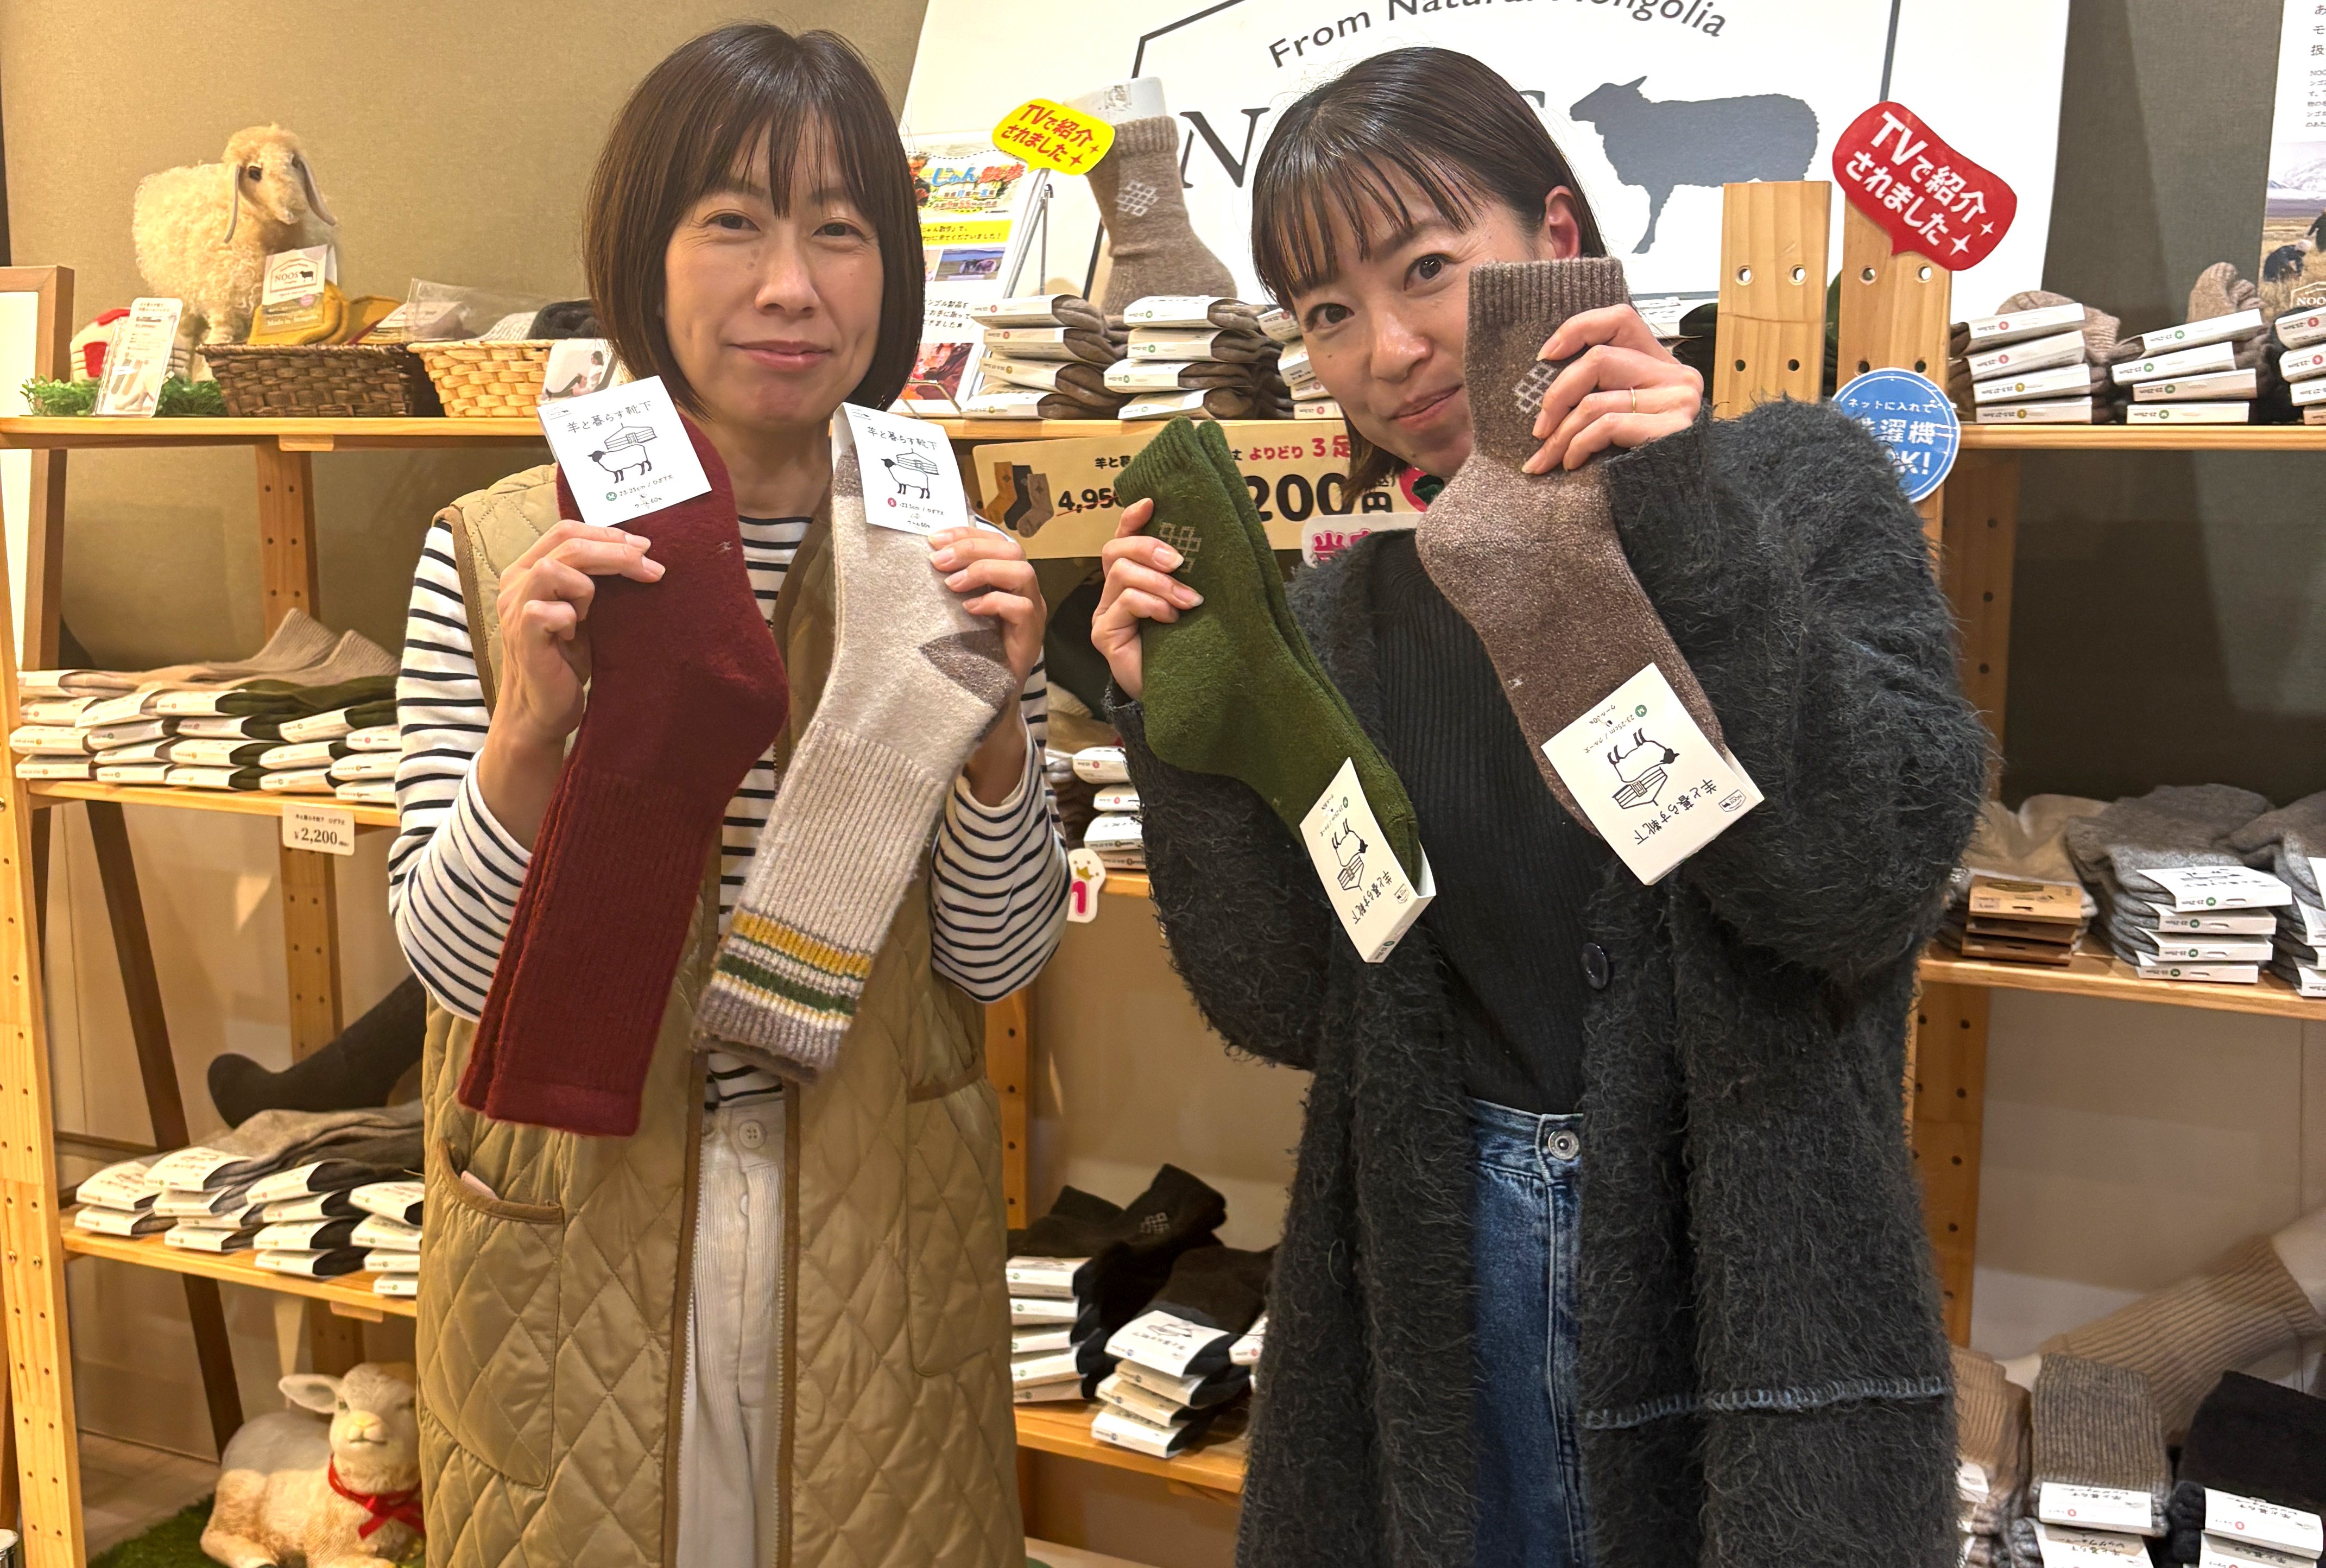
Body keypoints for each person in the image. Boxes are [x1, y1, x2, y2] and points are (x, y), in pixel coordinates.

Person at [1090, 47, 1988, 1568]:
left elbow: (1864, 880)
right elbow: (1286, 1004)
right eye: (1326, 313)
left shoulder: (1792, 490)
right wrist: (1180, 726)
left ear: (1555, 238)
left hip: (1746, 1276)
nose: (1389, 350)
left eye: (1426, 269)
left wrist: (1682, 517)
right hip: (1441, 1277)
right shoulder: (1352, 613)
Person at [390, 26, 1063, 1567]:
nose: (791, 285)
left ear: (892, 273)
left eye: (840, 230)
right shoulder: (501, 553)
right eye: (734, 223)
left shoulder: (946, 554)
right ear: (647, 249)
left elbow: (995, 960)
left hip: (872, 1227)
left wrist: (995, 744)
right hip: (580, 1232)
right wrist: (531, 735)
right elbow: (451, 972)